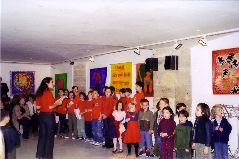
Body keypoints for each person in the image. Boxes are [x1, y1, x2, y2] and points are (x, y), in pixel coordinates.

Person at [35, 77, 62, 159]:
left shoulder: (39, 92)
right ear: (47, 83)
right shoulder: (48, 93)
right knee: (50, 137)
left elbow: (38, 107)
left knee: (42, 136)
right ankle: (47, 157)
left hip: (42, 116)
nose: (53, 84)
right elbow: (50, 107)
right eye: (52, 82)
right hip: (49, 116)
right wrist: (58, 103)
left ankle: (40, 155)